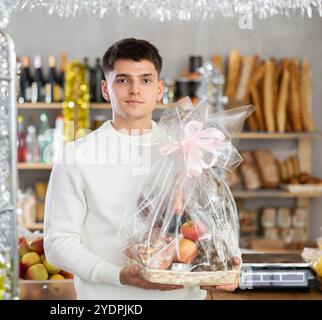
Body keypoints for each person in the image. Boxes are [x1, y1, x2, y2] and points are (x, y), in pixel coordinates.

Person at [44, 38, 240, 300]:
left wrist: (232, 261)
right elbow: (58, 244)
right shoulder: (77, 156)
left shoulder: (185, 149)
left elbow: (214, 218)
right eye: (123, 80)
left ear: (159, 89)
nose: (135, 90)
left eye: (145, 80)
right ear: (105, 88)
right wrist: (118, 275)